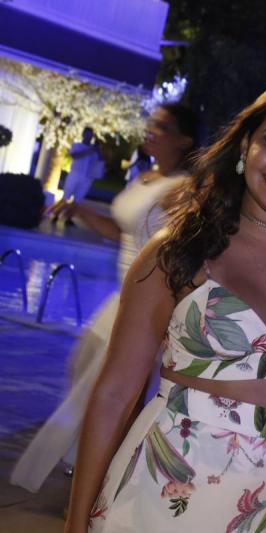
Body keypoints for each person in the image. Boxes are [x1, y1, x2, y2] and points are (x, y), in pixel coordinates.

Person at [64, 79, 266, 533]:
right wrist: (75, 522)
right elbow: (114, 395)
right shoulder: (178, 250)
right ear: (245, 146)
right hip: (163, 490)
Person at [11, 103, 199, 492]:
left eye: (162, 126)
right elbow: (123, 233)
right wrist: (80, 210)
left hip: (147, 301)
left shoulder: (184, 189)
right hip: (121, 295)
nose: (150, 129)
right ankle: (88, 464)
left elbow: (182, 250)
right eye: (152, 122)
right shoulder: (147, 177)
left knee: (115, 389)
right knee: (84, 370)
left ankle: (103, 474)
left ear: (184, 140)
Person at [58, 129, 105, 223]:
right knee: (66, 196)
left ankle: (68, 218)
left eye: (90, 135)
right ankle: (56, 214)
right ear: (83, 134)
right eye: (87, 135)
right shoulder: (77, 145)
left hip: (87, 177)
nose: (89, 137)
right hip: (75, 174)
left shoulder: (94, 150)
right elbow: (75, 155)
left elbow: (101, 160)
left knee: (78, 199)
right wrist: (89, 150)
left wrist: (98, 150)